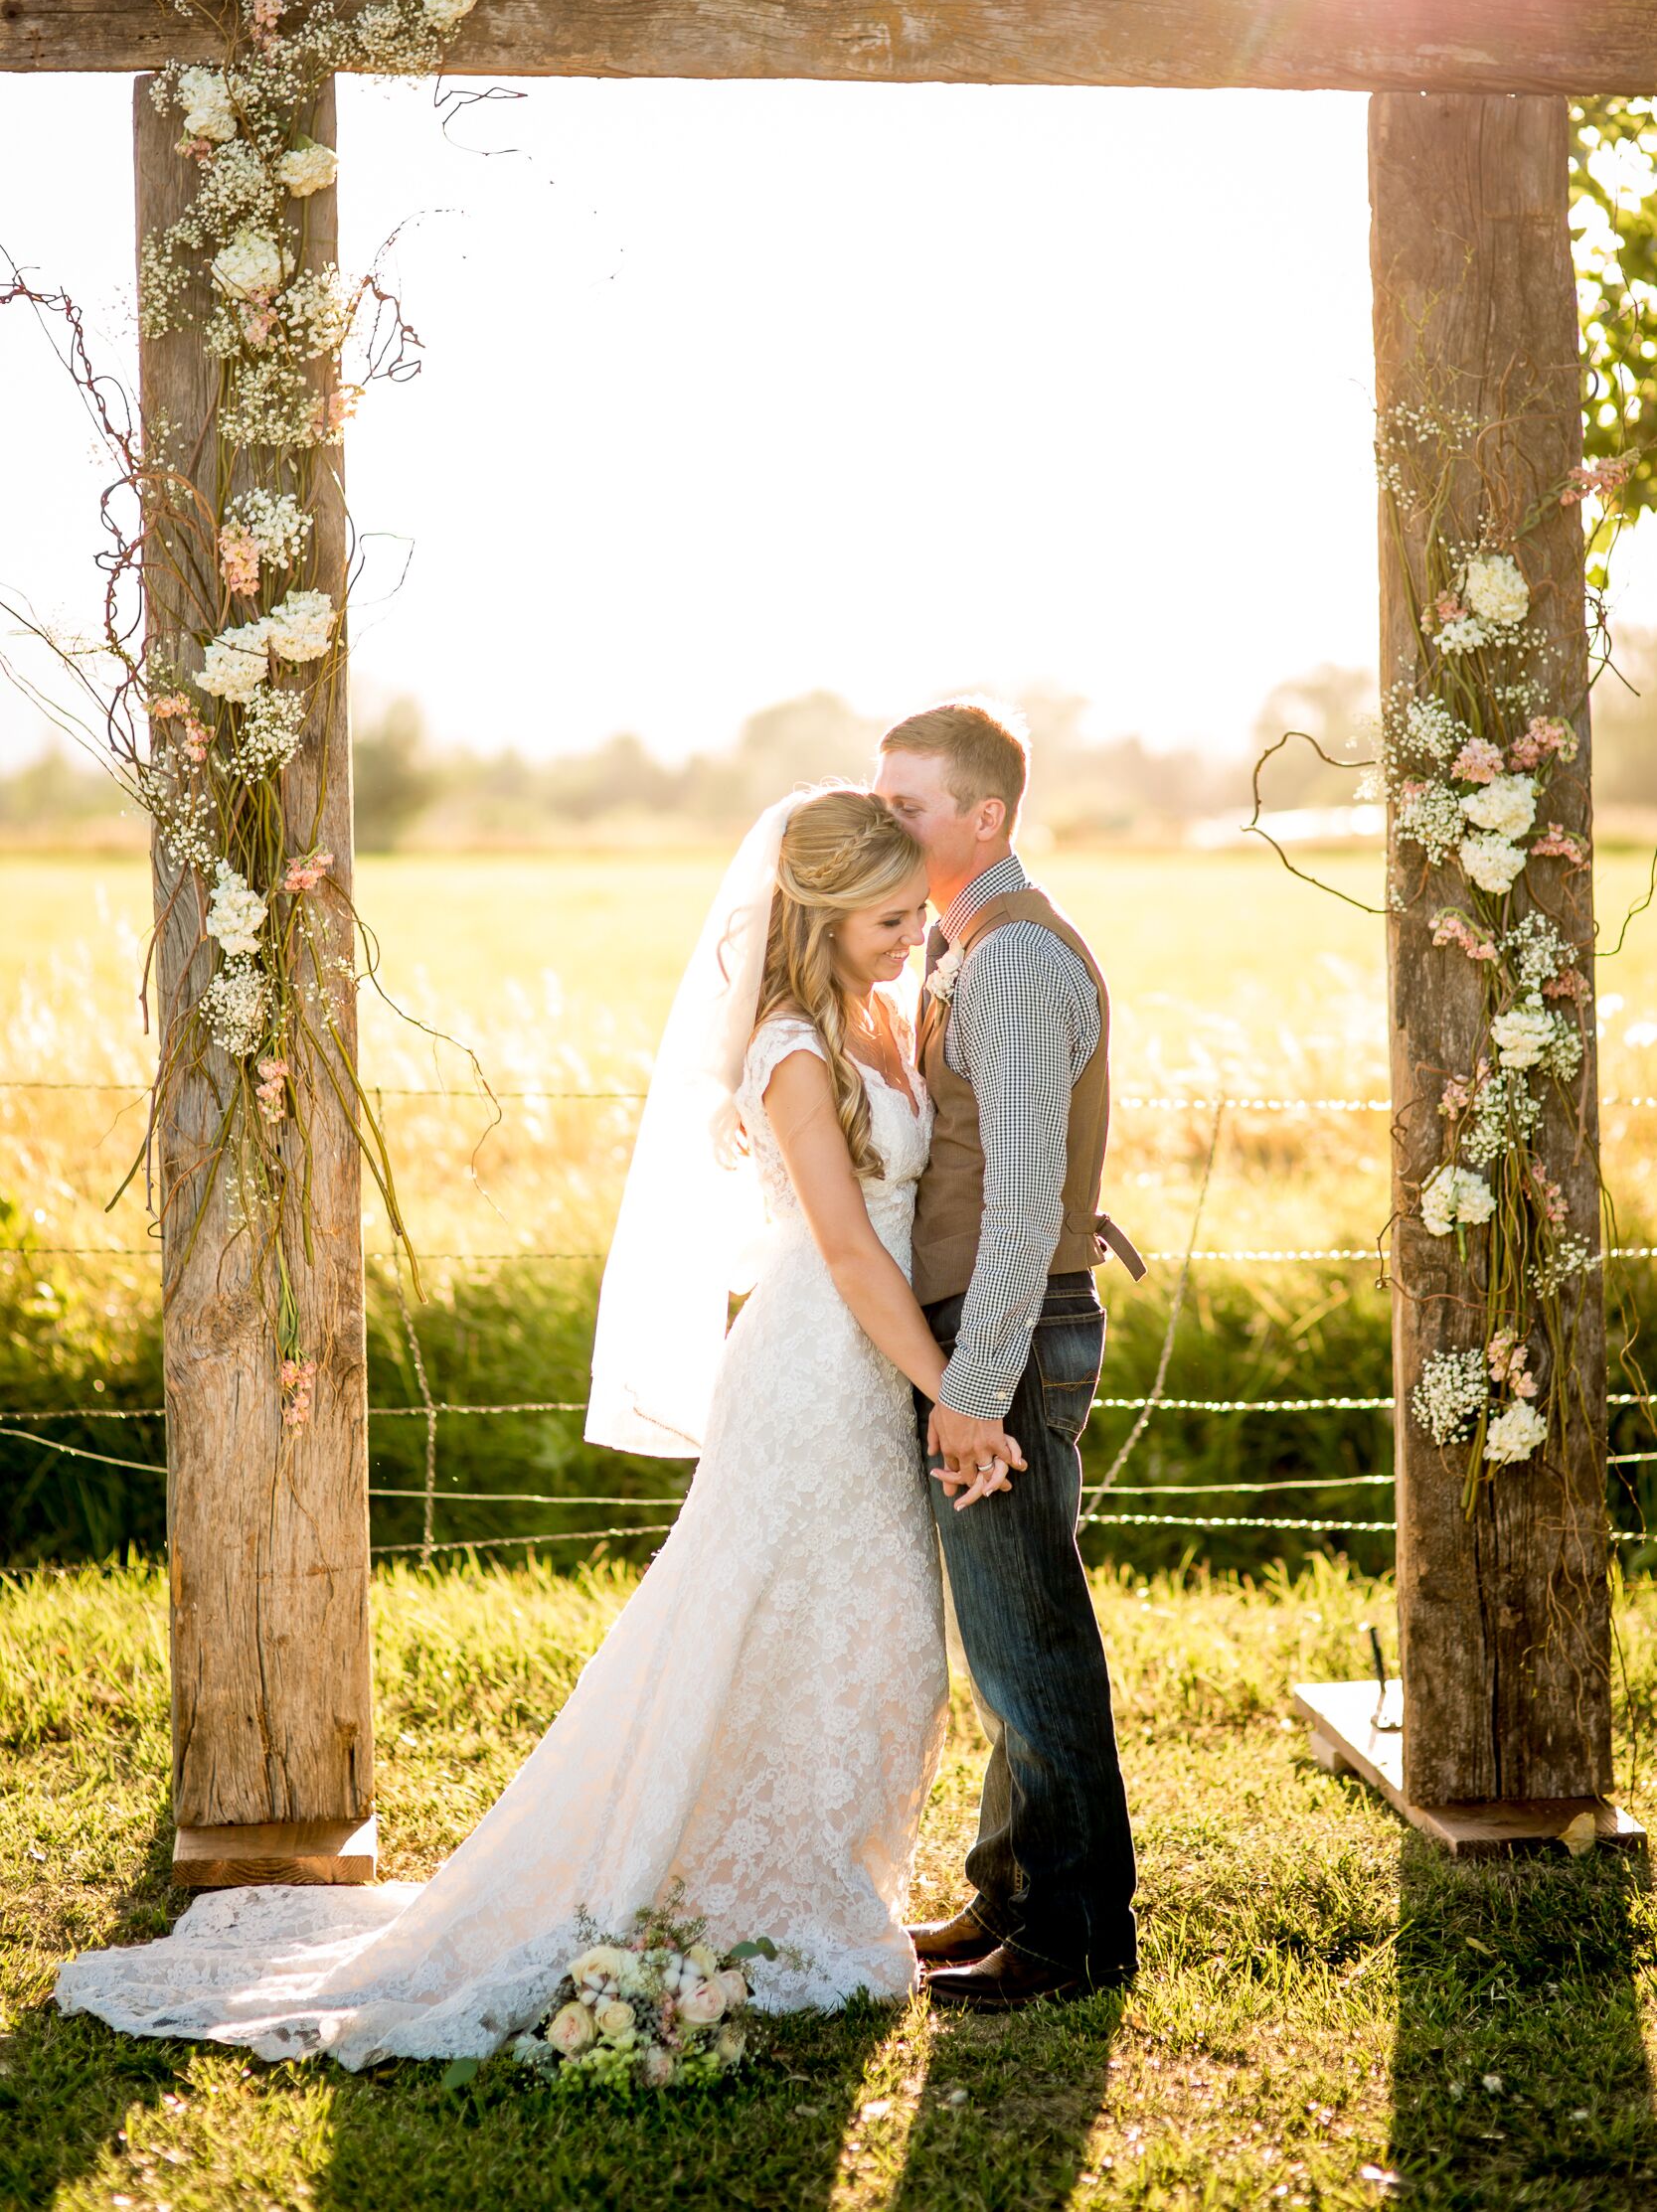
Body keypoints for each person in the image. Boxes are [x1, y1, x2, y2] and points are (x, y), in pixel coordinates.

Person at [54, 789, 998, 2065]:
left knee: (872, 1626)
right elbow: (839, 1243)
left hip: (875, 1358)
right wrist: (950, 1386)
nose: (910, 934)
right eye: (887, 918)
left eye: (913, 913)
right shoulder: (790, 1050)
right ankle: (728, 1886)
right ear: (820, 917)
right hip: (815, 1366)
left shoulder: (889, 1011)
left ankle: (813, 1876)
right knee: (769, 1612)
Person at [874, 702, 1143, 2008]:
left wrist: (969, 1391)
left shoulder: (1016, 960)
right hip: (1000, 1315)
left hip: (1008, 1336)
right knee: (1005, 1634)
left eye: (908, 805)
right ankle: (1007, 1890)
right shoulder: (963, 945)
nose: (887, 824)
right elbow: (1015, 1153)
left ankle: (1074, 1933)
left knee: (1030, 1634)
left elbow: (1022, 1197)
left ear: (984, 817)